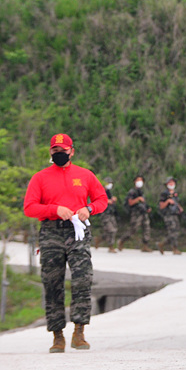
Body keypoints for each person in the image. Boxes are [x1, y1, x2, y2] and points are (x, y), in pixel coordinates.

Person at [23, 133, 108, 353]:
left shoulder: (85, 175)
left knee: (82, 279)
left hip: (77, 232)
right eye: (55, 150)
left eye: (63, 150)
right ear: (50, 152)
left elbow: (101, 200)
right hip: (51, 232)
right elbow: (29, 207)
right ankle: (57, 335)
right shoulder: (40, 178)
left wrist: (88, 209)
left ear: (72, 151)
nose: (59, 154)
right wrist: (53, 209)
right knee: (52, 282)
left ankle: (79, 331)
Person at [120, 175, 152, 252]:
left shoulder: (141, 192)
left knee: (146, 228)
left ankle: (145, 245)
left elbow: (143, 202)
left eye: (141, 180)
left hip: (143, 212)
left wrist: (147, 208)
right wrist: (138, 199)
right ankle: (122, 241)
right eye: (138, 180)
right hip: (136, 212)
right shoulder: (132, 191)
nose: (140, 182)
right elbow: (130, 203)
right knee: (133, 229)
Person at [158, 176, 183, 254]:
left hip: (175, 214)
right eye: (170, 182)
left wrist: (179, 207)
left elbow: (176, 202)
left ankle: (162, 244)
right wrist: (167, 201)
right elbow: (161, 206)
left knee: (176, 231)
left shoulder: (175, 193)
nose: (171, 184)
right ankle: (174, 248)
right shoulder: (164, 194)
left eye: (173, 182)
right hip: (168, 214)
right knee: (172, 231)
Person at [99, 177, 118, 253]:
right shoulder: (100, 191)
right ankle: (111, 246)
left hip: (111, 213)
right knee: (111, 230)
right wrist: (107, 201)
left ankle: (99, 239)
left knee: (114, 229)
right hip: (105, 213)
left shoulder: (109, 192)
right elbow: (97, 200)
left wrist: (113, 200)